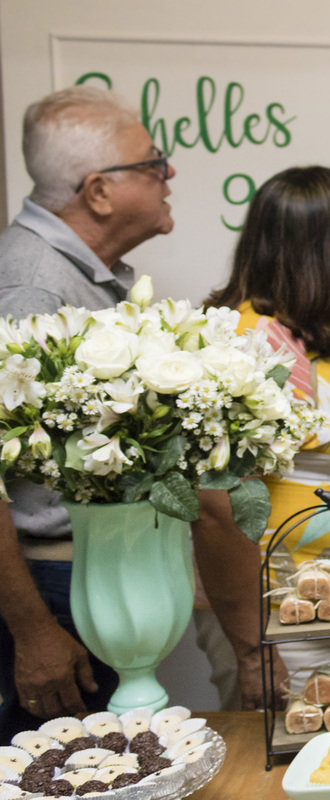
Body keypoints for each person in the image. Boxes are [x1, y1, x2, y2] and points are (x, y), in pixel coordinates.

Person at [197, 166, 330, 705]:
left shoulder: (320, 330)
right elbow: (215, 504)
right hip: (289, 613)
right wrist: (253, 647)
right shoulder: (251, 344)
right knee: (285, 778)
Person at [0, 86, 175, 737]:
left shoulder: (84, 278)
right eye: (154, 162)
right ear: (99, 191)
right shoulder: (31, 289)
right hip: (50, 592)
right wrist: (33, 632)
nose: (169, 174)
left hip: (96, 579)